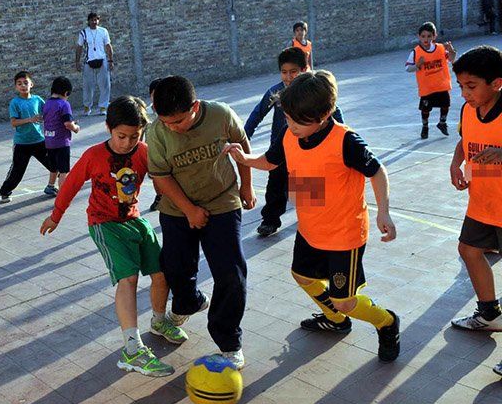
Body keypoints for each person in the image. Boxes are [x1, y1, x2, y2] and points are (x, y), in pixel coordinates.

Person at [227, 71, 401, 362]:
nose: (291, 126)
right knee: (302, 275)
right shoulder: (289, 134)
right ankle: (334, 320)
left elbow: (378, 172)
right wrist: (245, 160)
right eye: (288, 118)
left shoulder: (346, 141)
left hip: (343, 235)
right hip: (310, 229)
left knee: (344, 300)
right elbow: (271, 161)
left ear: (324, 114)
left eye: (297, 121)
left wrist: (384, 210)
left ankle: (386, 322)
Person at [40, 95, 184, 377]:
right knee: (128, 279)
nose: (127, 142)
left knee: (161, 272)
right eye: (121, 136)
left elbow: (164, 178)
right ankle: (132, 349)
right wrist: (55, 215)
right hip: (104, 224)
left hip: (135, 220)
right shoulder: (94, 155)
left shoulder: (143, 152)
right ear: (108, 128)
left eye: (134, 136)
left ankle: (159, 320)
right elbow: (70, 185)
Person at [147, 76, 255, 369]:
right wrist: (189, 210)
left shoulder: (220, 114)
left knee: (231, 274)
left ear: (195, 106)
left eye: (178, 121)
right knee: (175, 268)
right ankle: (188, 302)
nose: (172, 127)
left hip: (222, 200)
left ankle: (229, 341)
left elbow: (241, 145)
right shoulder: (156, 131)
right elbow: (161, 176)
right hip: (177, 209)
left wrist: (247, 185)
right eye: (166, 121)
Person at [244, 47, 345, 237]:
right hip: (280, 150)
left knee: (305, 189)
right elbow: (256, 114)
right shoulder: (275, 92)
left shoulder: (314, 92)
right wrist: (244, 137)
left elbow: (333, 111)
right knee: (275, 186)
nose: (288, 77)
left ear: (304, 69)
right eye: (284, 72)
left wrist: (341, 138)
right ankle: (270, 220)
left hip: (308, 150)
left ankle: (311, 217)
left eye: (293, 72)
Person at [447, 46, 502, 377]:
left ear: (496, 83)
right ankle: (489, 314)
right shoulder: (470, 111)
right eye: (461, 86)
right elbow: (464, 140)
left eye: (471, 86)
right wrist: (456, 163)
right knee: (468, 250)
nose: (465, 93)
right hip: (483, 203)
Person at [0, 70, 59, 201]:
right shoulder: (15, 103)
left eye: (25, 83)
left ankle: (51, 187)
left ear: (31, 84)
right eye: (19, 83)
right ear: (16, 87)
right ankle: (5, 191)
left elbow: (48, 113)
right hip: (22, 143)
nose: (23, 86)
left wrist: (64, 120)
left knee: (55, 165)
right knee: (17, 172)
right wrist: (30, 119)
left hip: (39, 141)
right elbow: (14, 122)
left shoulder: (37, 99)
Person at [404, 22, 457, 139]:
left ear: (434, 36)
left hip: (441, 84)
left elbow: (452, 60)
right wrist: (417, 65)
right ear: (419, 36)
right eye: (423, 36)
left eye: (429, 36)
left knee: (445, 105)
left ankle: (442, 123)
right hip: (427, 87)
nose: (426, 39)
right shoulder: (416, 52)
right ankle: (425, 126)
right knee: (425, 109)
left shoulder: (441, 48)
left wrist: (452, 50)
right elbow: (407, 68)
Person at [42, 76, 80, 190]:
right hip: (61, 142)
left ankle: (50, 186)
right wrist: (76, 128)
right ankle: (63, 192)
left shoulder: (47, 103)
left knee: (53, 167)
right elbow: (68, 123)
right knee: (63, 170)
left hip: (49, 141)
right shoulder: (64, 104)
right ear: (66, 92)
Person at [75, 12, 114, 116]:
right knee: (88, 85)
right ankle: (87, 107)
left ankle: (103, 107)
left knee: (105, 85)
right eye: (92, 20)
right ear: (88, 21)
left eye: (96, 19)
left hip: (102, 60)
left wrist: (111, 60)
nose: (94, 22)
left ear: (98, 20)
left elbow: (108, 45)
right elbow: (79, 47)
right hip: (89, 61)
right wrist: (77, 62)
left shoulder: (103, 31)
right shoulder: (83, 32)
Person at [146, 77, 163, 212]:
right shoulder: (145, 113)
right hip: (151, 149)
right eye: (154, 94)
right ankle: (160, 196)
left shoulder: (171, 108)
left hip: (167, 147)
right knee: (155, 176)